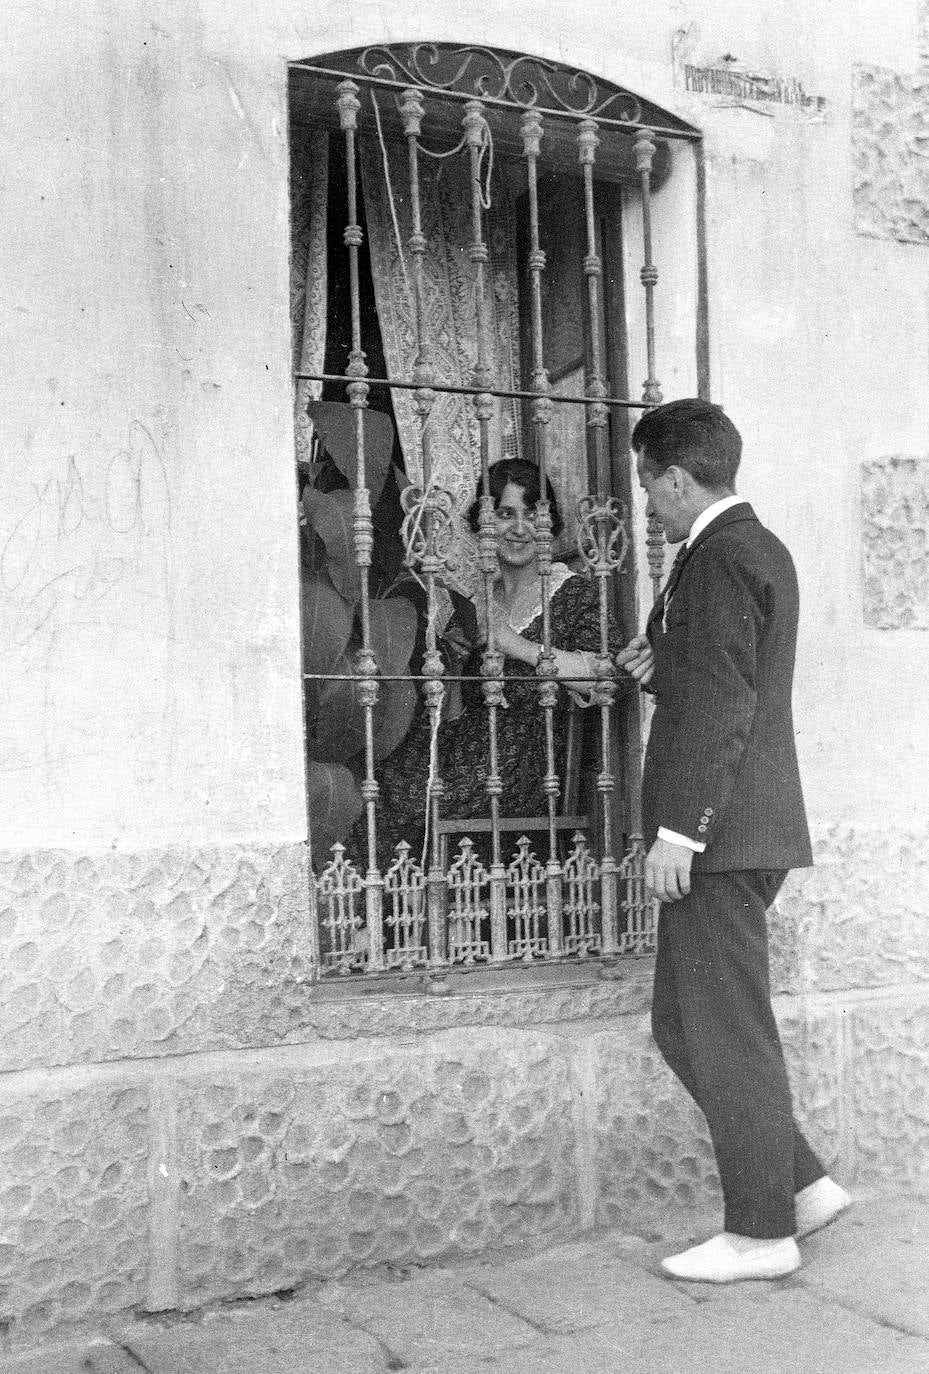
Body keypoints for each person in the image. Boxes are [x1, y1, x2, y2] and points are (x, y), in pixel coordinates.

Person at [618, 398, 851, 1283]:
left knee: (721, 1029)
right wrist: (660, 667)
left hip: (716, 835)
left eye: (647, 484)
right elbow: (718, 680)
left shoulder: (717, 560)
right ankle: (800, 1186)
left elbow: (723, 706)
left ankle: (759, 1233)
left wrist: (679, 833)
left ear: (677, 477)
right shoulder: (754, 548)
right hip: (744, 827)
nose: (646, 503)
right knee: (686, 1023)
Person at [367, 457, 626, 871]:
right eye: (505, 514)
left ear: (551, 525)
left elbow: (609, 677)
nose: (519, 528)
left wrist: (514, 644)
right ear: (481, 526)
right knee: (380, 786)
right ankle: (386, 925)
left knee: (416, 801)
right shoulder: (483, 602)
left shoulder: (574, 592)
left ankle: (412, 921)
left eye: (531, 515)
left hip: (530, 768)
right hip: (469, 753)